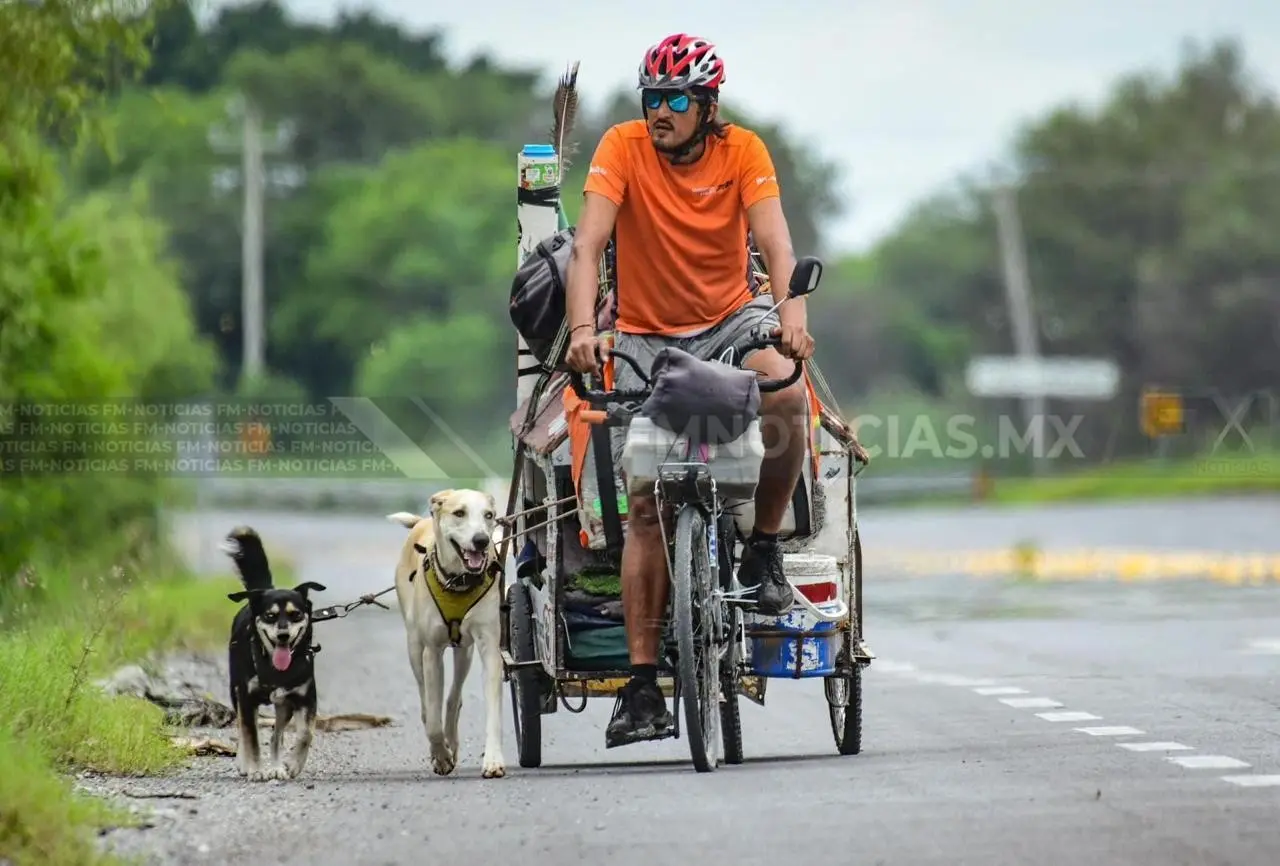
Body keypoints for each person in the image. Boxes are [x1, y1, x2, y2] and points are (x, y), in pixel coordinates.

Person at [562, 33, 816, 747]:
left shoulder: (745, 153)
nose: (660, 111)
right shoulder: (622, 147)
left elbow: (778, 250)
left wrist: (792, 323)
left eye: (676, 99)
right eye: (652, 98)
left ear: (708, 106)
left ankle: (762, 550)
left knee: (787, 396)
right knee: (645, 503)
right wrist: (584, 327)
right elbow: (587, 246)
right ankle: (644, 686)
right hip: (646, 336)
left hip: (734, 318)